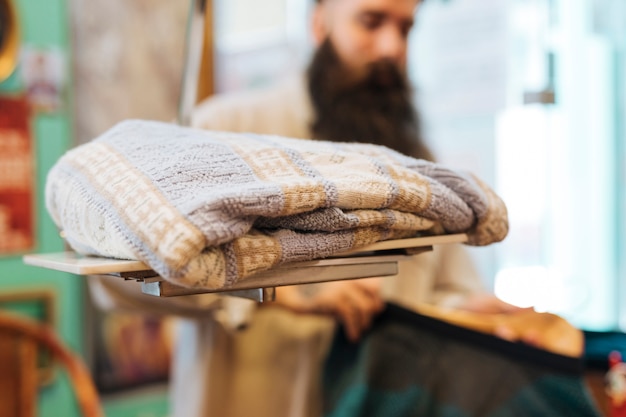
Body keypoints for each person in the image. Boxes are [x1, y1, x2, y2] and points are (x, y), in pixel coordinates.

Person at [91, 0, 534, 416]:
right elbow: (117, 279)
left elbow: (442, 289)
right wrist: (281, 295)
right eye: (371, 22)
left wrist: (467, 313)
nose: (392, 47)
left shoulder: (416, 163)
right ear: (319, 22)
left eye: (406, 28)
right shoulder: (224, 131)